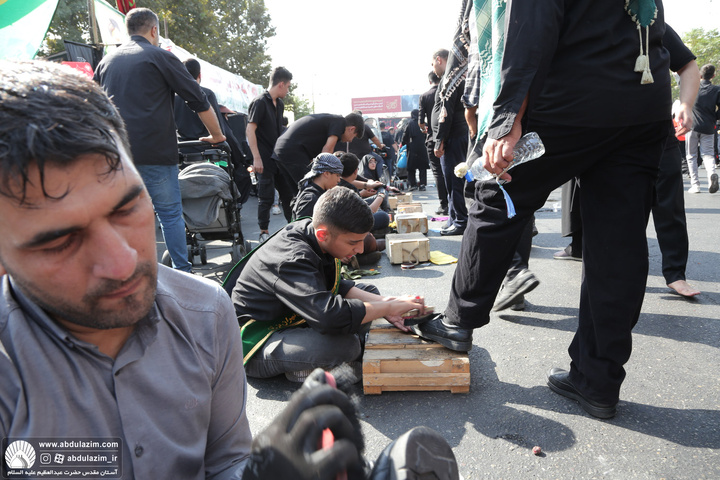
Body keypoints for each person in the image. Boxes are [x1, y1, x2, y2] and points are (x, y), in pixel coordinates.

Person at [1, 59, 462, 480]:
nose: (124, 262)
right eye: (61, 240)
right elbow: (329, 313)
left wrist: (259, 474)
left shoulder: (204, 313)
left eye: (127, 207)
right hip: (264, 341)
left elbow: (224, 460)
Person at [412, 0, 673, 419]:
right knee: (618, 242)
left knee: (496, 194)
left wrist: (507, 118)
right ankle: (598, 381)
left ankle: (459, 321)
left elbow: (531, 29)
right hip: (642, 106)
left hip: (573, 102)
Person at [231, 187, 425, 382]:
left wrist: (386, 303)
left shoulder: (314, 234)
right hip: (259, 339)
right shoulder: (291, 257)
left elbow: (333, 285)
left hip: (298, 313)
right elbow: (329, 316)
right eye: (353, 242)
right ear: (323, 234)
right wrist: (387, 307)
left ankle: (320, 359)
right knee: (346, 346)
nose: (359, 249)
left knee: (369, 293)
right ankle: (308, 367)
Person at [94, 8, 225, 272]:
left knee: (125, 216)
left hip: (117, 155)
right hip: (155, 152)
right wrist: (216, 135)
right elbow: (197, 99)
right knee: (169, 215)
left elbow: (93, 107)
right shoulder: (160, 56)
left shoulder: (106, 61)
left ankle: (132, 272)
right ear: (154, 30)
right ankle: (182, 272)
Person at [246, 66, 296, 243]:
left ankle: (294, 228)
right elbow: (250, 130)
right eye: (288, 86)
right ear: (281, 84)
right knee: (265, 197)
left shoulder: (279, 104)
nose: (288, 90)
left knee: (288, 195)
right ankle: (263, 232)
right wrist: (256, 158)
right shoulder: (259, 102)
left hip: (278, 159)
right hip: (264, 158)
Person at [273, 113, 365, 192]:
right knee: (312, 189)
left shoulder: (329, 121)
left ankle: (293, 213)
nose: (351, 140)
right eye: (354, 137)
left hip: (280, 148)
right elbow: (326, 153)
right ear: (352, 129)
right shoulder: (339, 122)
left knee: (293, 192)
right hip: (293, 151)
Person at [431, 48, 469, 236]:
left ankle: (461, 221)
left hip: (453, 136)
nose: (433, 68)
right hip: (453, 135)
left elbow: (446, 112)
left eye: (433, 64)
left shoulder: (451, 79)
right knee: (450, 182)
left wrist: (440, 140)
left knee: (455, 181)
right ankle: (454, 218)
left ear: (439, 60)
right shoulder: (452, 77)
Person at [686, 64, 720, 194]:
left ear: (700, 75)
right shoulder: (717, 90)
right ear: (713, 75)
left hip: (692, 125)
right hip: (709, 127)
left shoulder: (693, 87)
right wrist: (714, 118)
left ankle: (695, 185)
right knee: (708, 154)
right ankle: (712, 176)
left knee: (691, 155)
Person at [419, 71, 448, 215]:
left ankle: (444, 205)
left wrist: (426, 129)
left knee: (438, 173)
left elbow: (420, 122)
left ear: (430, 81)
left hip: (432, 138)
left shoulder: (424, 96)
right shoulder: (447, 91)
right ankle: (455, 205)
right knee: (451, 172)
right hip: (449, 137)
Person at [290, 153, 344, 220]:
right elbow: (301, 228)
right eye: (337, 175)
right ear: (326, 173)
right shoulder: (310, 199)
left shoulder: (318, 192)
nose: (339, 180)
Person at [402, 109, 430, 191]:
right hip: (422, 147)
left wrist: (403, 143)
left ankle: (413, 184)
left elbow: (405, 136)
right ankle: (422, 184)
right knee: (422, 167)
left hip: (412, 147)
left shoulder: (409, 124)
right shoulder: (424, 124)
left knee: (411, 167)